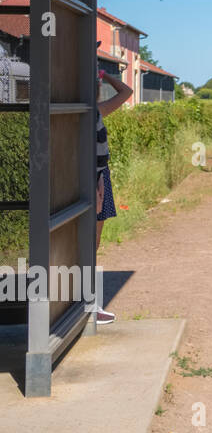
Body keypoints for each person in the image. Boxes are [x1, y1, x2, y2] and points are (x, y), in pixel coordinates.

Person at [94, 46, 132, 324]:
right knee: (88, 244)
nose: (97, 86)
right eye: (94, 82)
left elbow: (126, 92)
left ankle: (90, 304)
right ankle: (89, 306)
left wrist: (105, 75)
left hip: (99, 177)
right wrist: (96, 184)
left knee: (91, 245)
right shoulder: (88, 112)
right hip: (94, 180)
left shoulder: (95, 110)